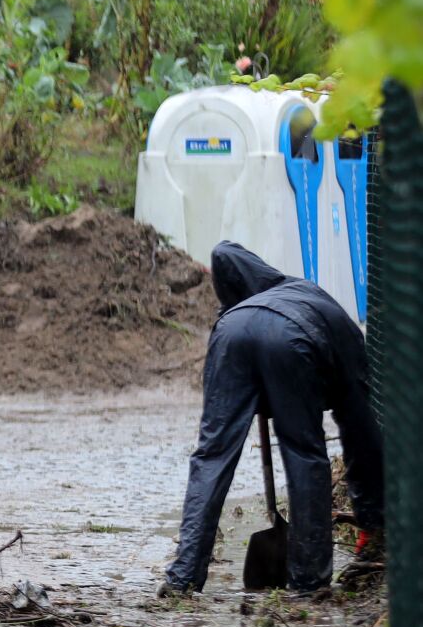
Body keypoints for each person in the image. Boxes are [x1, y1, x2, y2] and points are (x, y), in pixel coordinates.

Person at [160, 241, 384, 598]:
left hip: (231, 337)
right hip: (295, 339)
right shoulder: (315, 300)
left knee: (211, 457)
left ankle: (182, 578)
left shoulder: (235, 313)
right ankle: (309, 584)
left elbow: (220, 253)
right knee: (304, 454)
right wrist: (372, 518)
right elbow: (360, 433)